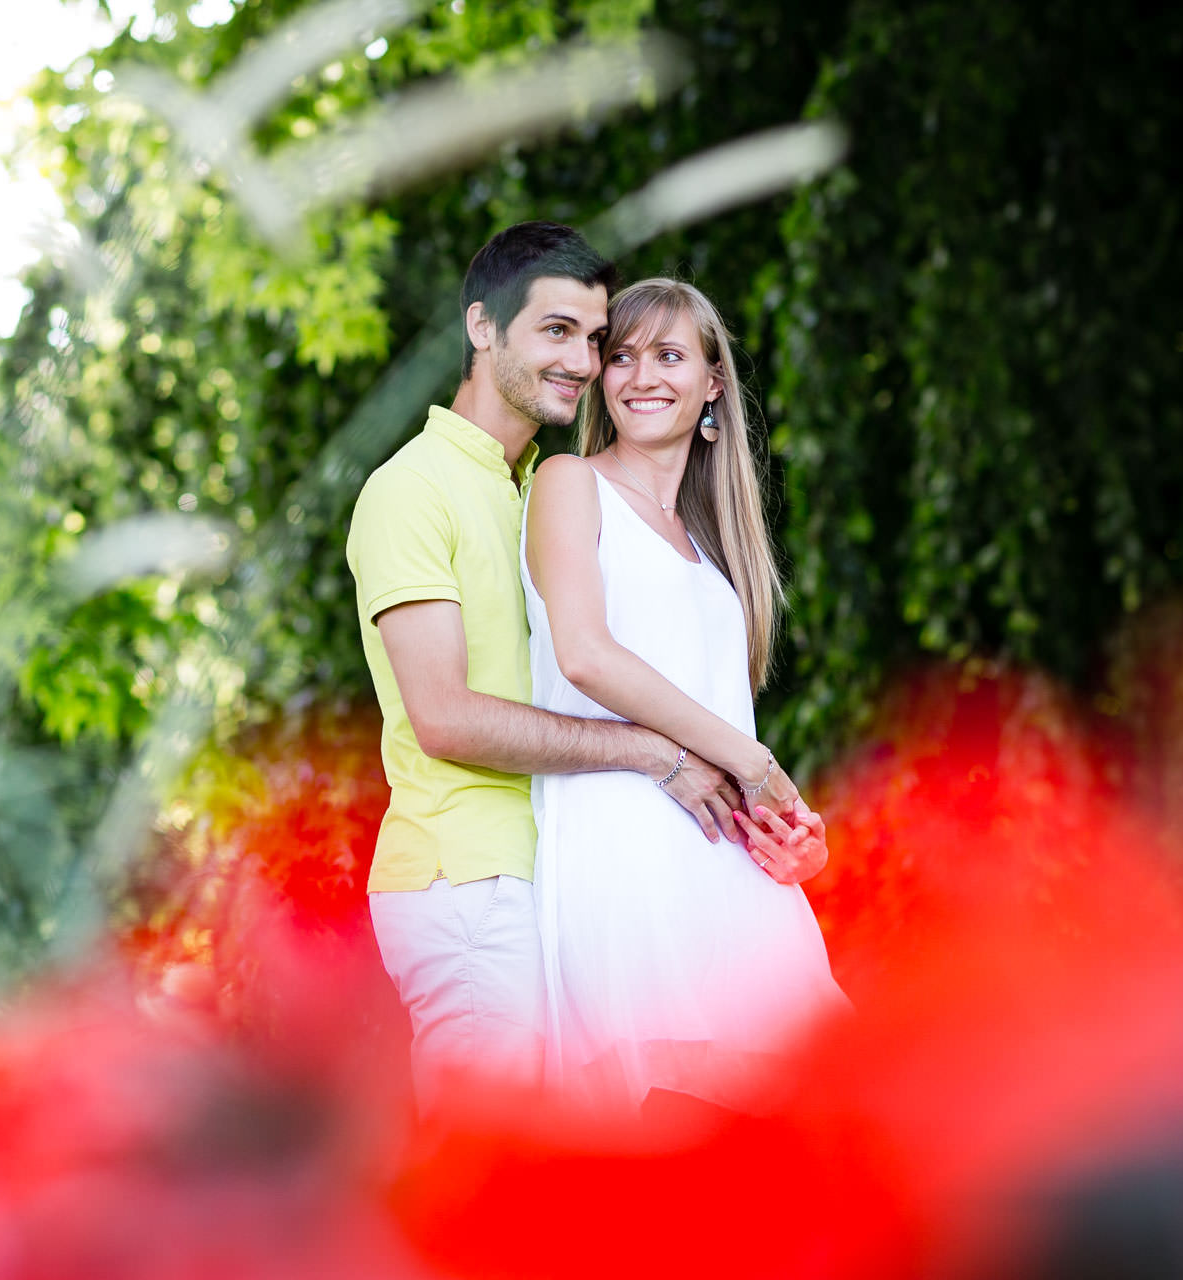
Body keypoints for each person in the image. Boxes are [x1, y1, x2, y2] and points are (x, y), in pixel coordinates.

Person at [345, 225, 747, 1117]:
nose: (582, 360)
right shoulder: (411, 489)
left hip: (547, 876)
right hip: (466, 881)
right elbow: (445, 717)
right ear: (483, 327)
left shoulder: (535, 488)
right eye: (556, 331)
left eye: (593, 339)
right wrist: (655, 752)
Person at [522, 276, 849, 1114]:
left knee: (807, 1146)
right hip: (628, 856)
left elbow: (721, 721)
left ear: (712, 384)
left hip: (730, 873)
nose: (641, 376)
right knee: (667, 1142)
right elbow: (586, 655)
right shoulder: (568, 483)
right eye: (621, 356)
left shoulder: (711, 544)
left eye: (669, 355)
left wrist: (790, 835)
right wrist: (754, 759)